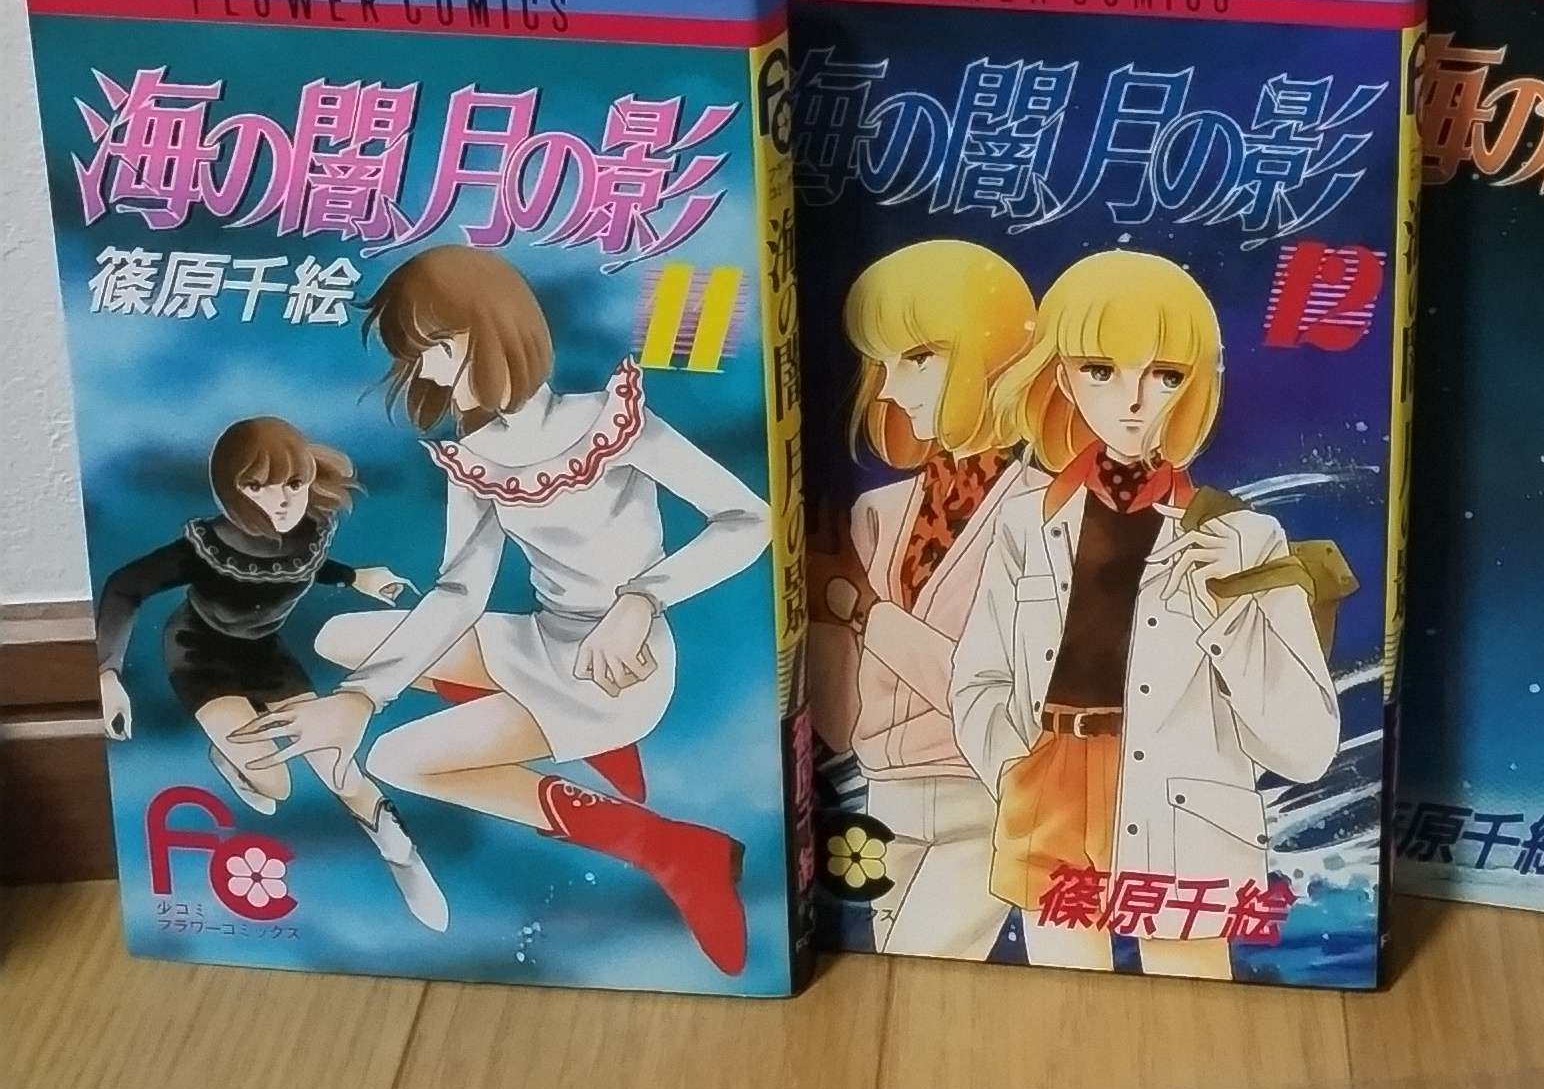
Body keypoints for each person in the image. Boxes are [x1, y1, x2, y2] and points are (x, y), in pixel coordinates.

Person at [237, 243, 775, 975]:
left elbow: (748, 518)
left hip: (619, 668)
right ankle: (553, 731)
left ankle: (667, 847)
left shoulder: (611, 422)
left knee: (396, 759)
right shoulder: (477, 458)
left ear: (491, 329)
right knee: (340, 637)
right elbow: (460, 590)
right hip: (544, 641)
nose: (428, 373)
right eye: (416, 358)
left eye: (434, 349)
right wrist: (362, 697)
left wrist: (643, 597)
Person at [949, 249, 1342, 977]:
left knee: (1194, 997)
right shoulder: (1026, 523)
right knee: (1061, 1002)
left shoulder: (1243, 536)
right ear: (1062, 375)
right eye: (1101, 370)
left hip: (1184, 797)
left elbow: (1306, 747)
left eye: (1163, 374)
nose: (1132, 400)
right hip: (1050, 787)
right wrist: (1014, 766)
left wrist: (1235, 595)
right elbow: (978, 678)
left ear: (1193, 384)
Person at [93, 416, 446, 930]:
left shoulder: (310, 530)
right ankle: (229, 755)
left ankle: (403, 856)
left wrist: (355, 578)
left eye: (293, 483)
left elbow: (305, 567)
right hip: (200, 655)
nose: (280, 501)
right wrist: (107, 673)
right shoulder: (205, 546)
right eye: (256, 487)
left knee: (336, 762)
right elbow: (124, 587)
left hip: (265, 656)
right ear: (230, 491)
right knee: (274, 788)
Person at [810, 238, 1037, 956]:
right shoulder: (875, 513)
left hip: (988, 799)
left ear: (989, 351)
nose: (886, 390)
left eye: (917, 358)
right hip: (883, 800)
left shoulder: (1049, 518)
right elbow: (843, 719)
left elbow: (990, 689)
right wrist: (816, 614)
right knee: (887, 972)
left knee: (919, 966)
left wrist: (863, 613)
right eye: (880, 364)